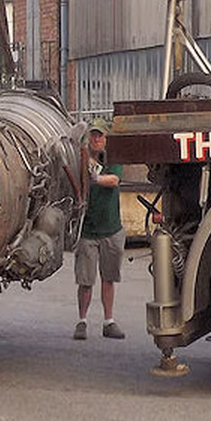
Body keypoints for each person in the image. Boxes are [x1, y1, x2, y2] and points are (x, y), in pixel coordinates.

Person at [73, 117, 125, 340]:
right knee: (85, 280)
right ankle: (82, 321)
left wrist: (94, 177)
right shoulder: (80, 159)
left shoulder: (113, 158)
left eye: (99, 135)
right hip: (88, 230)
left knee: (108, 277)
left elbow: (114, 180)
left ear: (106, 138)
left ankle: (108, 321)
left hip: (111, 228)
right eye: (93, 135)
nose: (96, 139)